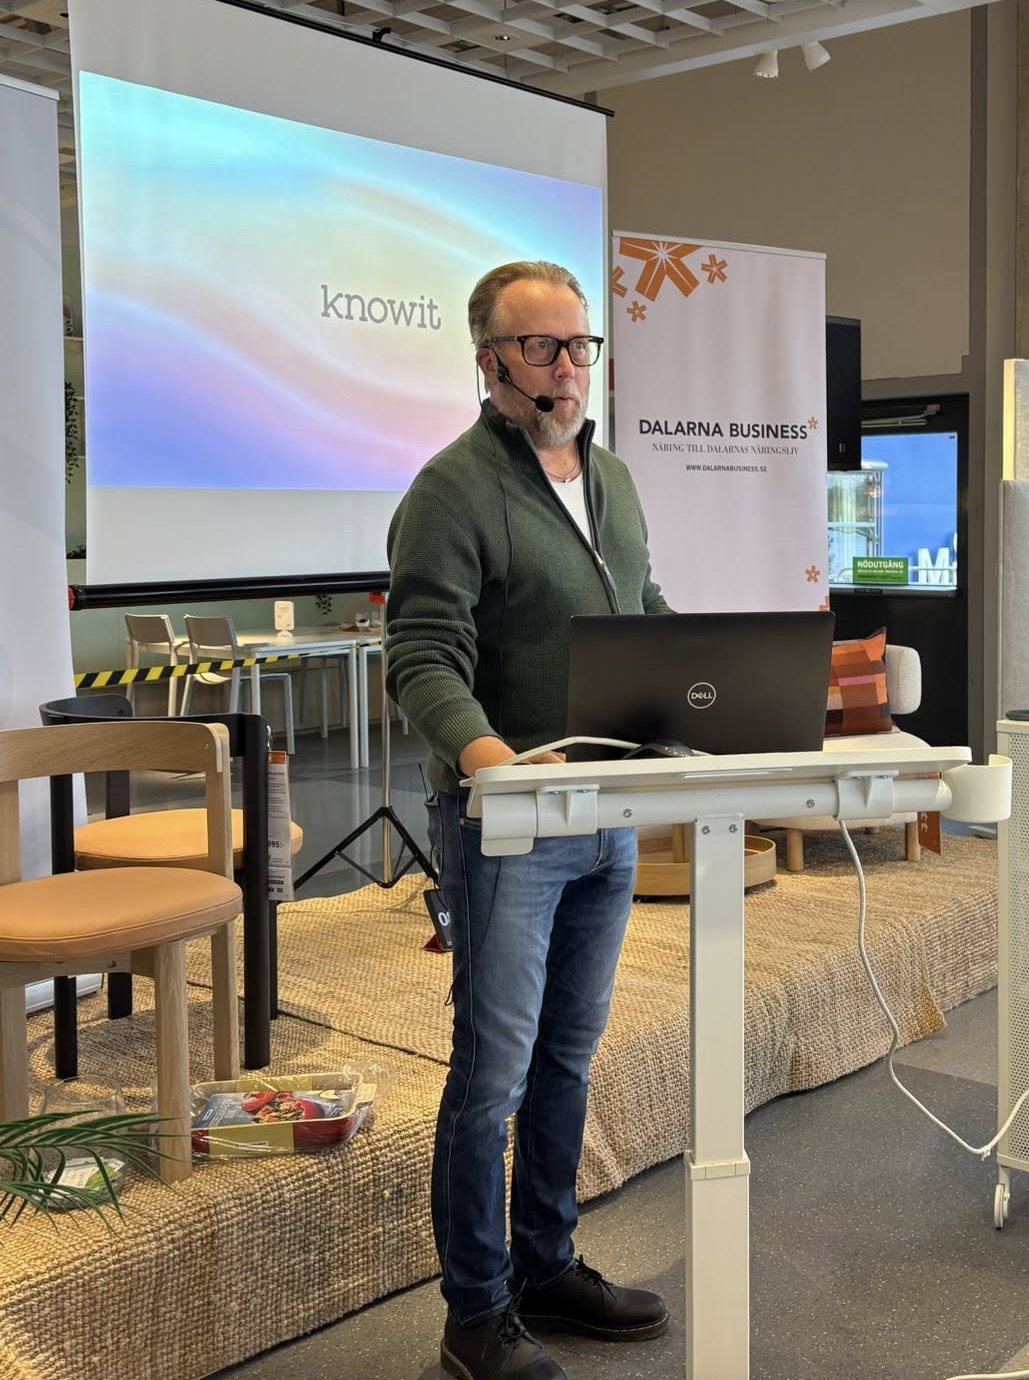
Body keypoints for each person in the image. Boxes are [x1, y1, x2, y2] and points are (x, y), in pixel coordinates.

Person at [386, 260, 673, 1380]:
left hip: (608, 814)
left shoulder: (614, 479)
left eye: (579, 344)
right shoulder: (451, 490)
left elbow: (641, 612)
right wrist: (494, 762)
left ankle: (547, 1267)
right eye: (542, 346)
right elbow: (422, 656)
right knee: (492, 1073)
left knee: (568, 1055)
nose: (566, 366)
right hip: (506, 825)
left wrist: (707, 688)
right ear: (490, 361)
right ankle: (475, 1314)